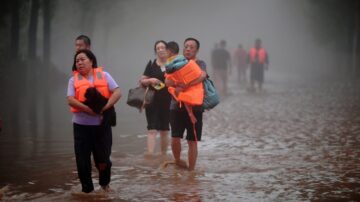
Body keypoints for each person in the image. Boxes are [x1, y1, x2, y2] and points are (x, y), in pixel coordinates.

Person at [67, 49, 121, 193]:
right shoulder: (73, 80)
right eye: (77, 61)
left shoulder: (104, 75)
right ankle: (87, 191)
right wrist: (88, 109)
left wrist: (106, 107)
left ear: (91, 61)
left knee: (103, 160)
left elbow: (117, 92)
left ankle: (104, 185)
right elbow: (70, 100)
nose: (79, 63)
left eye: (82, 59)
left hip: (102, 127)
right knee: (82, 161)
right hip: (81, 128)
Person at [165, 38, 207, 171]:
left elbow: (202, 76)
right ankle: (177, 160)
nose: (188, 49)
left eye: (192, 47)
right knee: (175, 137)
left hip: (195, 107)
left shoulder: (200, 63)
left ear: (197, 50)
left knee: (192, 140)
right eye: (186, 46)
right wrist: (177, 84)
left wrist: (186, 84)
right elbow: (167, 82)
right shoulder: (175, 62)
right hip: (176, 105)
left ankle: (191, 171)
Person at [139, 40, 171, 157]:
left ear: (167, 50)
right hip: (152, 100)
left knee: (164, 130)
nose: (161, 50)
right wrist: (150, 80)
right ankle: (150, 155)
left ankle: (163, 155)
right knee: (152, 129)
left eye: (163, 47)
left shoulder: (172, 64)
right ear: (155, 51)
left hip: (168, 101)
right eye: (158, 48)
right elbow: (141, 81)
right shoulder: (151, 64)